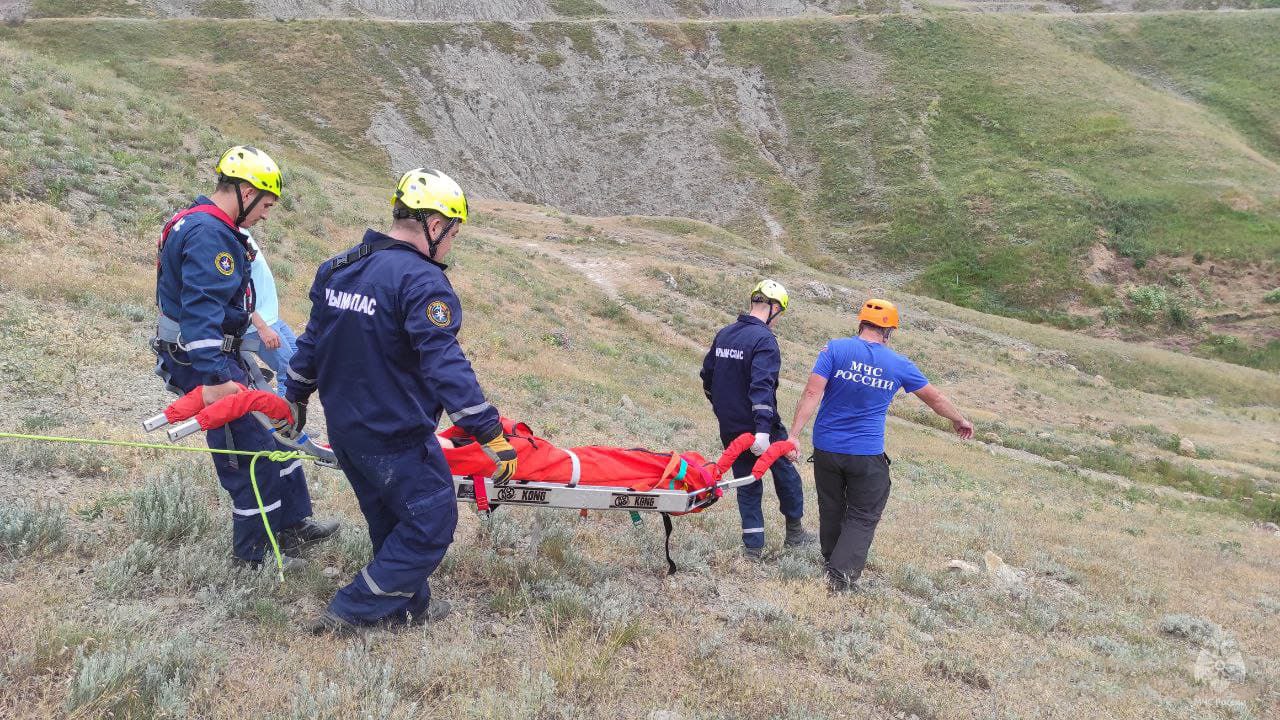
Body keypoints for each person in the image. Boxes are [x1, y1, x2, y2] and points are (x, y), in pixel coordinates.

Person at [285, 168, 519, 635]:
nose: (452, 243)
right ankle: (351, 609)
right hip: (395, 434)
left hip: (347, 431)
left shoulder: (338, 267)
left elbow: (310, 345)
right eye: (453, 233)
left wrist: (295, 399)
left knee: (390, 519)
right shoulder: (422, 282)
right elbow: (444, 363)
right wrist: (488, 430)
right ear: (435, 224)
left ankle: (409, 608)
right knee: (432, 521)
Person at [152, 145, 338, 569]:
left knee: (277, 429)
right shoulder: (209, 235)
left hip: (227, 355)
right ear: (245, 190)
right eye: (266, 204)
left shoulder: (204, 226)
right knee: (249, 449)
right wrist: (216, 380)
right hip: (210, 363)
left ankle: (292, 523)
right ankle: (254, 554)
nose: (266, 214)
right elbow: (201, 315)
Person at [789, 298, 973, 592]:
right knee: (863, 513)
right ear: (889, 332)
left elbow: (812, 392)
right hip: (865, 452)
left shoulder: (834, 349)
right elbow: (934, 398)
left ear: (861, 324)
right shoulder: (898, 363)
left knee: (832, 507)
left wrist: (794, 435)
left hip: (826, 447)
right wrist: (959, 419)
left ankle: (831, 560)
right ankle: (841, 577)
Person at [701, 280, 815, 561]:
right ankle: (795, 534)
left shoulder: (725, 333)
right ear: (774, 308)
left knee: (745, 482)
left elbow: (707, 377)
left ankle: (753, 547)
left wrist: (723, 408)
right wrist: (763, 431)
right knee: (786, 475)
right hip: (761, 427)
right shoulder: (764, 340)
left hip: (731, 427)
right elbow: (762, 388)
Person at [242, 230, 300, 398]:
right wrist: (261, 326)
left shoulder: (242, 230)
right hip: (256, 323)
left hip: (270, 316)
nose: (264, 215)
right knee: (289, 371)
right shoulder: (229, 235)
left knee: (298, 361)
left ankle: (286, 416)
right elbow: (234, 289)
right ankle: (284, 421)